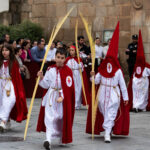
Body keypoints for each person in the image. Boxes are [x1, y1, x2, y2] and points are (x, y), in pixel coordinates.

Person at [86, 22, 129, 143]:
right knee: (105, 112)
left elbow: (122, 85)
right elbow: (95, 81)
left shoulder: (118, 71)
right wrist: (92, 76)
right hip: (102, 93)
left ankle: (107, 133)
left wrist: (125, 97)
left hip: (114, 93)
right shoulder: (102, 70)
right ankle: (108, 128)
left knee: (111, 111)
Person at [36, 48, 75, 150]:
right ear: (55, 57)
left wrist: (63, 96)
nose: (60, 60)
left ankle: (62, 137)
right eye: (58, 57)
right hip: (51, 96)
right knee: (49, 117)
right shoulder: (50, 69)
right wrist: (41, 78)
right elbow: (46, 85)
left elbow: (69, 87)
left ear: (65, 58)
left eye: (62, 58)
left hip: (62, 98)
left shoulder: (68, 71)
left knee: (61, 117)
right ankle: (48, 139)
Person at [0, 44, 28, 132]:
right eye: (3, 50)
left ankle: (3, 121)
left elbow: (17, 77)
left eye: (6, 50)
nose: (4, 52)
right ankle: (6, 120)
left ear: (10, 51)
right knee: (1, 102)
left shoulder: (14, 62)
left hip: (9, 84)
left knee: (9, 100)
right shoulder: (0, 61)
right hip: (1, 84)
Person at [128, 30, 150, 112]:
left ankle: (141, 106)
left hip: (143, 83)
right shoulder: (136, 66)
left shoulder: (146, 66)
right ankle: (136, 106)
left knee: (143, 95)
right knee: (137, 95)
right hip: (136, 84)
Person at [65, 45, 90, 109]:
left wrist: (80, 66)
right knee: (71, 89)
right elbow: (65, 68)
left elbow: (82, 69)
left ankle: (77, 104)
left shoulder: (79, 59)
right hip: (70, 75)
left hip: (77, 75)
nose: (71, 52)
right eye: (70, 50)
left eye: (72, 50)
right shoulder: (67, 59)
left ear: (75, 51)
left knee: (78, 89)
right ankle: (71, 103)